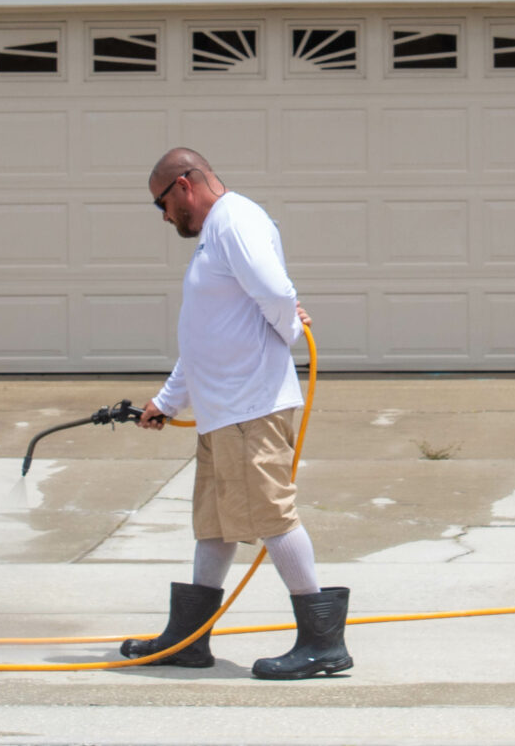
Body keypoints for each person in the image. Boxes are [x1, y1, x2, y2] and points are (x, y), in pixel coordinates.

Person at [120, 148, 352, 679]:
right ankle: (189, 639)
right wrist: (168, 400)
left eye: (161, 203)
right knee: (216, 523)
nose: (163, 216)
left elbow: (275, 292)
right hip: (221, 410)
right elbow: (205, 337)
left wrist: (289, 328)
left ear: (183, 185)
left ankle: (323, 642)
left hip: (251, 406)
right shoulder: (215, 236)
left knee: (272, 515)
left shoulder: (236, 221)